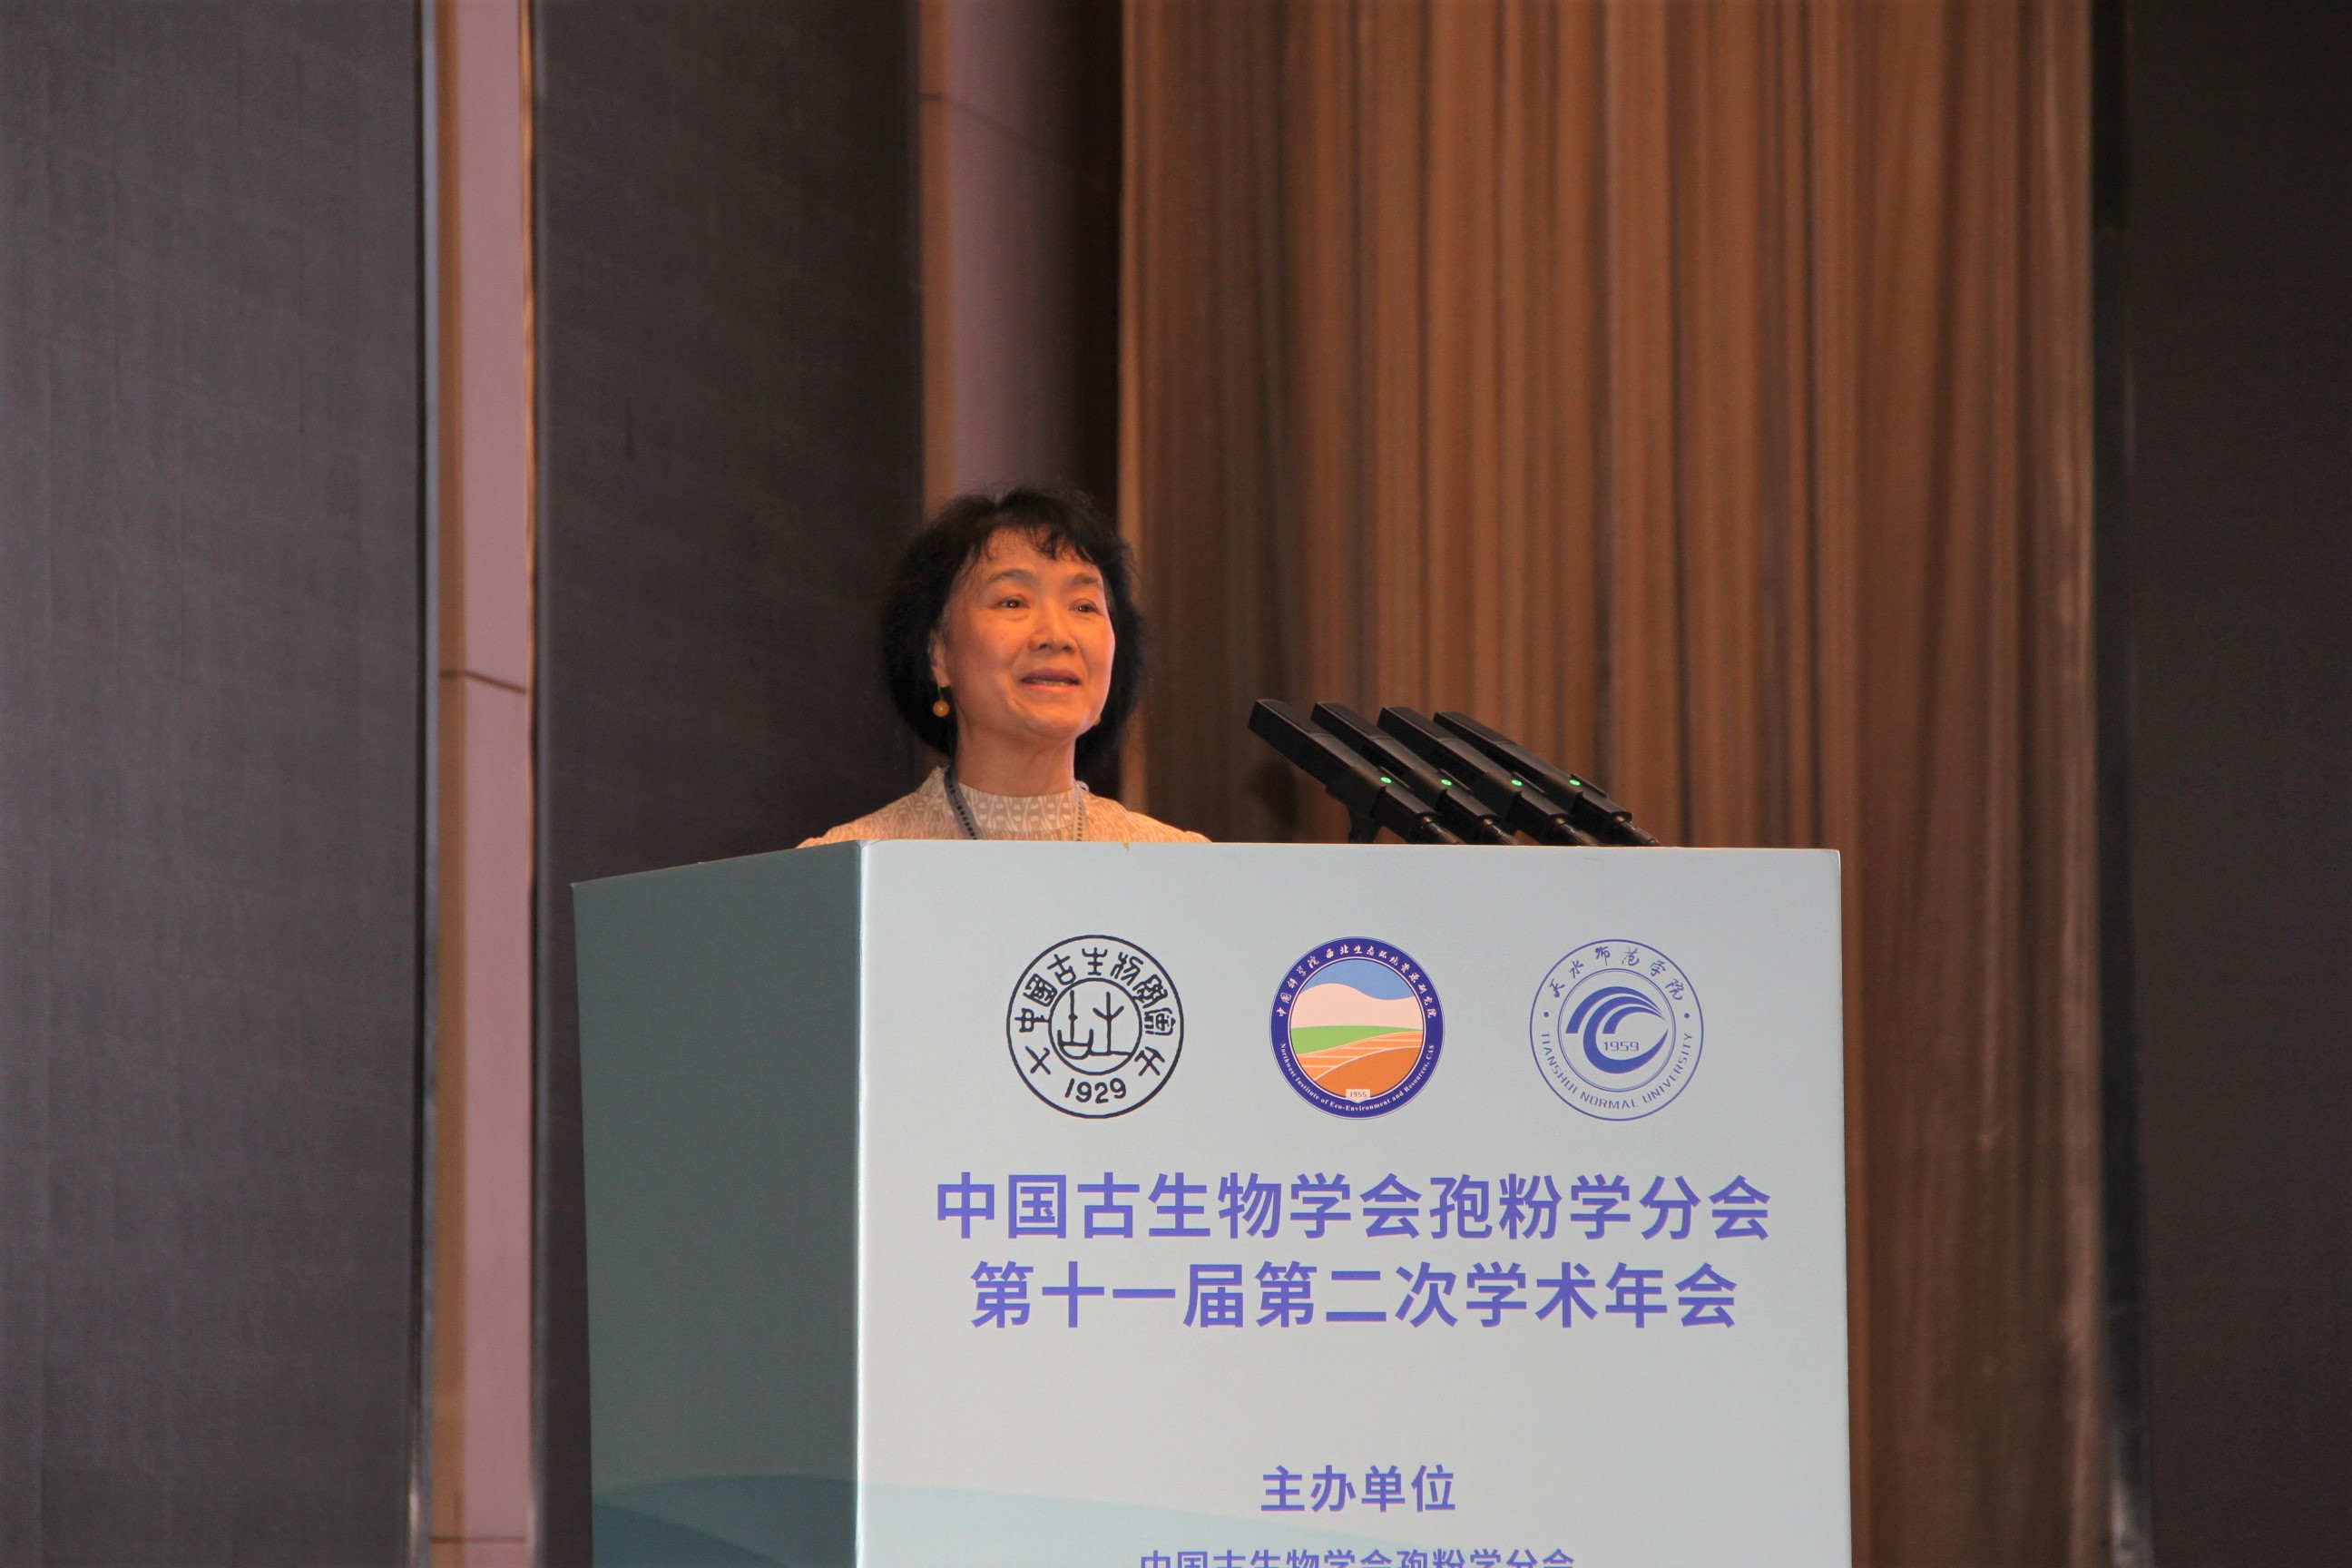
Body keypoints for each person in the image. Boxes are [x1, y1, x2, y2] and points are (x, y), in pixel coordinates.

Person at [801, 487, 1207, 845]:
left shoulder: (1179, 867)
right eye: (1013, 602)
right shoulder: (855, 868)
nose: (1057, 635)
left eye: (1084, 606)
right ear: (937, 654)